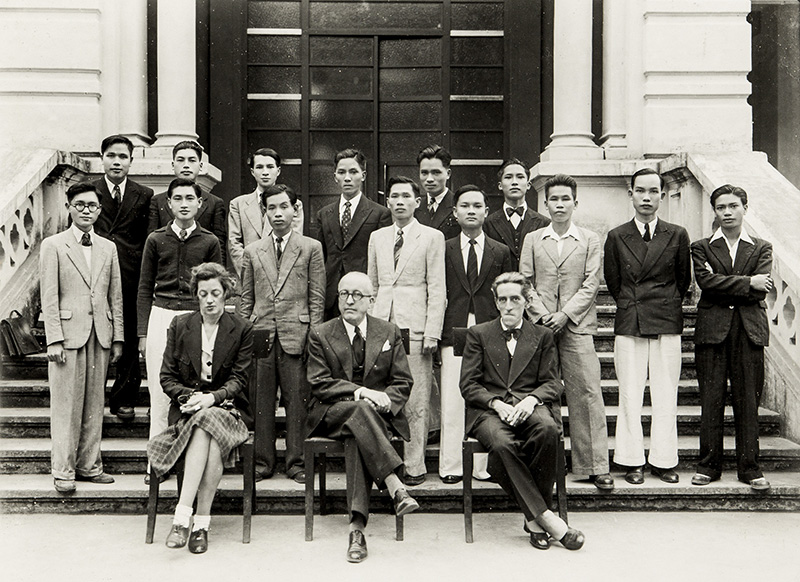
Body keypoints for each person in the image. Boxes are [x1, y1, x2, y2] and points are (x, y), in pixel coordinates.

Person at [460, 272, 584, 550]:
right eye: (502, 299)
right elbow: (468, 384)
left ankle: (534, 517)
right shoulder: (479, 334)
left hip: (530, 405)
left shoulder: (542, 335)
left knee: (548, 429)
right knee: (502, 444)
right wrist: (496, 403)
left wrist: (531, 400)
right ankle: (544, 518)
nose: (508, 305)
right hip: (490, 411)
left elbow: (553, 382)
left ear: (527, 301)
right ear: (495, 302)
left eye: (515, 299)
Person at [306, 271, 419, 563]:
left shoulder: (389, 331)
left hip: (375, 418)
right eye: (344, 294)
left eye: (358, 295)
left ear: (371, 300)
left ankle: (356, 530)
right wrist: (363, 393)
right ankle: (395, 485)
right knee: (360, 409)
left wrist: (384, 403)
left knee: (359, 430)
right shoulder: (321, 333)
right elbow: (319, 382)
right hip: (332, 413)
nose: (350, 301)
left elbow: (402, 382)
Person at [147, 263, 253, 554]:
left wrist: (212, 398)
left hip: (229, 409)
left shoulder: (242, 328)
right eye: (203, 293)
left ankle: (182, 517)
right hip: (188, 409)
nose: (209, 299)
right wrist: (190, 397)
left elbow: (240, 379)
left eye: (215, 293)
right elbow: (166, 377)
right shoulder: (181, 325)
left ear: (225, 295)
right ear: (195, 295)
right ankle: (201, 525)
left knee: (208, 421)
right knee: (207, 430)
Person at [519, 174, 613, 490]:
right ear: (545, 203)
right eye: (554, 199)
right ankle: (550, 464)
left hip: (576, 326)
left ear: (575, 202)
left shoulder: (589, 239)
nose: (559, 205)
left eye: (565, 199)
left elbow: (591, 283)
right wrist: (543, 315)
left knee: (586, 393)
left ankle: (594, 465)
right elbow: (525, 283)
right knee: (544, 395)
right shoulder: (533, 239)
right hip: (540, 327)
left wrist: (565, 314)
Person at [604, 168, 691, 485]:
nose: (646, 197)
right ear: (631, 194)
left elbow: (683, 281)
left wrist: (664, 303)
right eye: (640, 191)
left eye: (653, 191)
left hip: (666, 320)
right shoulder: (616, 235)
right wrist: (633, 303)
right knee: (630, 394)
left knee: (666, 393)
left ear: (662, 196)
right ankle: (632, 461)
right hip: (631, 319)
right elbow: (614, 282)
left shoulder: (677, 234)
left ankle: (664, 460)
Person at [40, 182, 124, 493]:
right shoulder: (54, 245)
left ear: (100, 211)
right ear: (69, 208)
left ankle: (90, 466)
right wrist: (53, 339)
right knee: (65, 406)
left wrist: (118, 339)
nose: (86, 210)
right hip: (67, 336)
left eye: (92, 205)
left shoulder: (108, 247)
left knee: (94, 403)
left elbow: (115, 296)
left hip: (99, 335)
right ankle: (63, 470)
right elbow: (49, 296)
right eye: (80, 205)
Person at [238, 185, 325, 482]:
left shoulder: (310, 247)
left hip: (296, 335)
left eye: (284, 206)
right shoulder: (252, 251)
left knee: (296, 401)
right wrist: (244, 335)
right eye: (272, 207)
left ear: (295, 209)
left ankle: (297, 462)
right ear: (265, 211)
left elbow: (317, 298)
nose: (278, 213)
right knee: (261, 402)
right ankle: (263, 462)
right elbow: (245, 299)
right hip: (261, 334)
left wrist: (313, 338)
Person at [138, 178, 222, 482]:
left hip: (196, 317)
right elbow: (145, 287)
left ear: (200, 204)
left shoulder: (210, 241)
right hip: (161, 314)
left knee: (196, 387)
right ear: (169, 204)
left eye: (190, 198)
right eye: (178, 198)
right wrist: (143, 333)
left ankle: (192, 462)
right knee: (160, 393)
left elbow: (217, 286)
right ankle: (157, 463)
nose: (184, 203)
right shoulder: (155, 239)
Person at [691, 185, 773, 491]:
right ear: (714, 211)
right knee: (711, 400)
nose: (727, 212)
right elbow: (706, 283)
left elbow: (762, 287)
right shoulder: (701, 247)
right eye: (721, 207)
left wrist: (733, 283)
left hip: (749, 330)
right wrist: (746, 282)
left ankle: (750, 468)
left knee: (747, 401)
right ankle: (708, 466)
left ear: (745, 208)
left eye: (733, 206)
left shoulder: (762, 247)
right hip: (713, 330)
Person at [367, 176, 446, 486]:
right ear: (388, 202)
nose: (400, 201)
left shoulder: (431, 237)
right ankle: (384, 465)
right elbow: (372, 284)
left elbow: (437, 287)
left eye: (406, 196)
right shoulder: (378, 237)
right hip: (381, 324)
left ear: (417, 201)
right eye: (394, 196)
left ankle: (415, 465)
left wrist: (432, 331)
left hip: (416, 323)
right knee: (381, 392)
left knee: (416, 395)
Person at [439, 184, 512, 484]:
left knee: (485, 398)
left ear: (486, 211)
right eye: (465, 206)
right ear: (455, 213)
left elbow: (508, 294)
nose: (471, 210)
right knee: (454, 399)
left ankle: (482, 467)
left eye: (477, 205)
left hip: (489, 331)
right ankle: (452, 465)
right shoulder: (443, 248)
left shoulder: (500, 251)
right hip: (454, 329)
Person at [91, 135, 153, 422]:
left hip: (129, 272)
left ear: (131, 160)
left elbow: (148, 238)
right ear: (102, 157)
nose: (117, 161)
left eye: (123, 156)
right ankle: (91, 401)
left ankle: (124, 399)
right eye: (111, 155)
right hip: (94, 270)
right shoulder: (89, 191)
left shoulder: (144, 194)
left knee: (128, 337)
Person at [312, 149, 392, 320]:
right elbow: (322, 257)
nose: (347, 177)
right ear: (335, 177)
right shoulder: (324, 214)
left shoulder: (379, 213)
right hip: (332, 295)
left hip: (362, 293)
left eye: (353, 172)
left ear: (363, 175)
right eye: (342, 172)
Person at [228, 148, 305, 279]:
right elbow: (234, 243)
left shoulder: (294, 204)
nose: (265, 172)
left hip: (282, 278)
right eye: (259, 167)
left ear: (278, 170)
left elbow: (294, 242)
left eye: (270, 167)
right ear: (252, 172)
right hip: (249, 277)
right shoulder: (238, 204)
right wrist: (250, 274)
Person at [148, 140, 227, 263]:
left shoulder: (214, 203)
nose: (186, 165)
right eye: (180, 160)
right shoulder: (157, 201)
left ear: (200, 166)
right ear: (173, 165)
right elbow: (151, 244)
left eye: (192, 160)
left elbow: (219, 248)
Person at [484, 158, 550, 270]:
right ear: (500, 185)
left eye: (520, 177)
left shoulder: (544, 223)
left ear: (528, 185)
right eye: (508, 177)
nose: (514, 182)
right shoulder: (487, 224)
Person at [415, 144, 460, 240]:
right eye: (424, 173)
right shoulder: (415, 206)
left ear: (448, 174)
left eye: (436, 172)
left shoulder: (459, 204)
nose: (429, 179)